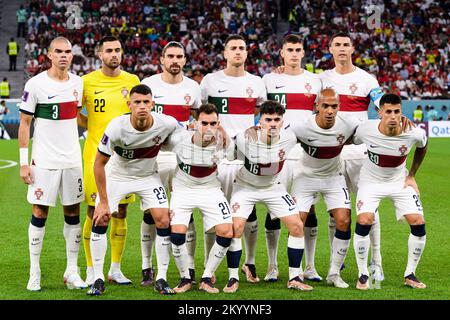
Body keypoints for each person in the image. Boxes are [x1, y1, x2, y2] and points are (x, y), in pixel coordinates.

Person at [87, 84, 181, 296]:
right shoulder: (116, 127)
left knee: (164, 220)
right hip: (118, 176)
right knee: (100, 217)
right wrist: (102, 202)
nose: (141, 106)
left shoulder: (166, 122)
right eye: (137, 102)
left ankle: (162, 278)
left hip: (148, 177)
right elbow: (98, 164)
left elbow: (186, 138)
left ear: (153, 104)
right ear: (129, 105)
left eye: (146, 102)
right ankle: (98, 278)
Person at [18, 36, 87, 291]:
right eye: (58, 51)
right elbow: (25, 124)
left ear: (72, 55)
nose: (63, 56)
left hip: (72, 161)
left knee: (73, 214)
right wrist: (24, 164)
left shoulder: (78, 84)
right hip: (44, 162)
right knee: (39, 213)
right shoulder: (35, 84)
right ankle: (34, 271)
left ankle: (72, 271)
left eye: (67, 52)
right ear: (49, 55)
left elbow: (77, 118)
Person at [224, 100, 313, 293]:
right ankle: (232, 278)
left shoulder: (289, 138)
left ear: (282, 122)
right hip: (245, 188)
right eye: (268, 119)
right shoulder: (244, 138)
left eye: (277, 119)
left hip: (274, 188)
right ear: (260, 121)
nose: (273, 123)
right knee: (236, 228)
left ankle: (294, 277)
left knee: (297, 226)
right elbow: (230, 155)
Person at [318, 32, 385, 282]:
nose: (342, 48)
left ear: (353, 48)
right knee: (336, 211)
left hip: (360, 153)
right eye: (338, 45)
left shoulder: (367, 79)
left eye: (346, 44)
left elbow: (381, 104)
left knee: (369, 207)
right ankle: (340, 261)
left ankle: (376, 262)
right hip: (331, 152)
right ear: (331, 49)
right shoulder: (321, 79)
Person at [200, 34, 267, 284]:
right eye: (233, 48)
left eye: (242, 48)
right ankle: (211, 264)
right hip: (216, 155)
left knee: (247, 211)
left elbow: (260, 110)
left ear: (246, 53)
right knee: (213, 210)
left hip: (246, 155)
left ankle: (248, 262)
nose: (238, 52)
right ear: (225, 53)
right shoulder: (210, 81)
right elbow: (202, 113)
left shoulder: (257, 83)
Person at [78, 36, 140, 286]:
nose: (114, 54)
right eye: (109, 51)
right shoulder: (86, 82)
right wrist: (94, 129)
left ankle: (115, 268)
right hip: (95, 157)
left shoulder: (132, 81)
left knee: (121, 211)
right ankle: (92, 269)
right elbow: (76, 115)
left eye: (118, 50)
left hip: (126, 159)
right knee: (95, 211)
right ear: (99, 54)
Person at [352, 93, 428, 290]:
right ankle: (362, 274)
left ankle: (410, 274)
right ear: (380, 113)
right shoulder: (366, 129)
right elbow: (350, 139)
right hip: (370, 182)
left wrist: (411, 175)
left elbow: (423, 146)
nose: (393, 116)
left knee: (418, 222)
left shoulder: (413, 132)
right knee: (364, 220)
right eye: (388, 112)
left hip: (399, 181)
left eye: (397, 111)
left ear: (401, 112)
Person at [141, 41, 201, 285]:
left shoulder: (194, 87)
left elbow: (197, 119)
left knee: (186, 212)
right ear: (162, 59)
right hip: (154, 155)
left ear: (185, 60)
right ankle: (147, 266)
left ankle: (189, 265)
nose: (175, 60)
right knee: (150, 213)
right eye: (171, 56)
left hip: (183, 158)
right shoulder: (149, 85)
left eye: (180, 56)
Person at [263, 33, 322, 282]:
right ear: (282, 53)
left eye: (298, 50)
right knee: (274, 208)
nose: (295, 54)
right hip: (278, 152)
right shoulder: (269, 80)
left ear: (303, 53)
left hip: (306, 154)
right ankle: (272, 265)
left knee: (308, 209)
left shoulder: (315, 81)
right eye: (290, 50)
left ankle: (309, 266)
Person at [290, 88, 359, 288]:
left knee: (344, 220)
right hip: (305, 176)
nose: (330, 111)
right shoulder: (301, 126)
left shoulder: (349, 123)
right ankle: (295, 275)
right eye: (325, 106)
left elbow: (372, 130)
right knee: (297, 223)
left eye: (334, 106)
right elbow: (279, 139)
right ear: (317, 107)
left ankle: (334, 273)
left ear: (339, 107)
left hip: (333, 177)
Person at [164, 103, 234, 293]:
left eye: (213, 123)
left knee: (227, 231)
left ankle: (206, 277)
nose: (209, 128)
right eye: (204, 123)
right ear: (196, 123)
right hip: (183, 189)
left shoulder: (226, 144)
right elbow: (157, 143)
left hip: (210, 189)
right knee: (177, 233)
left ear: (219, 123)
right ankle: (185, 278)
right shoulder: (178, 139)